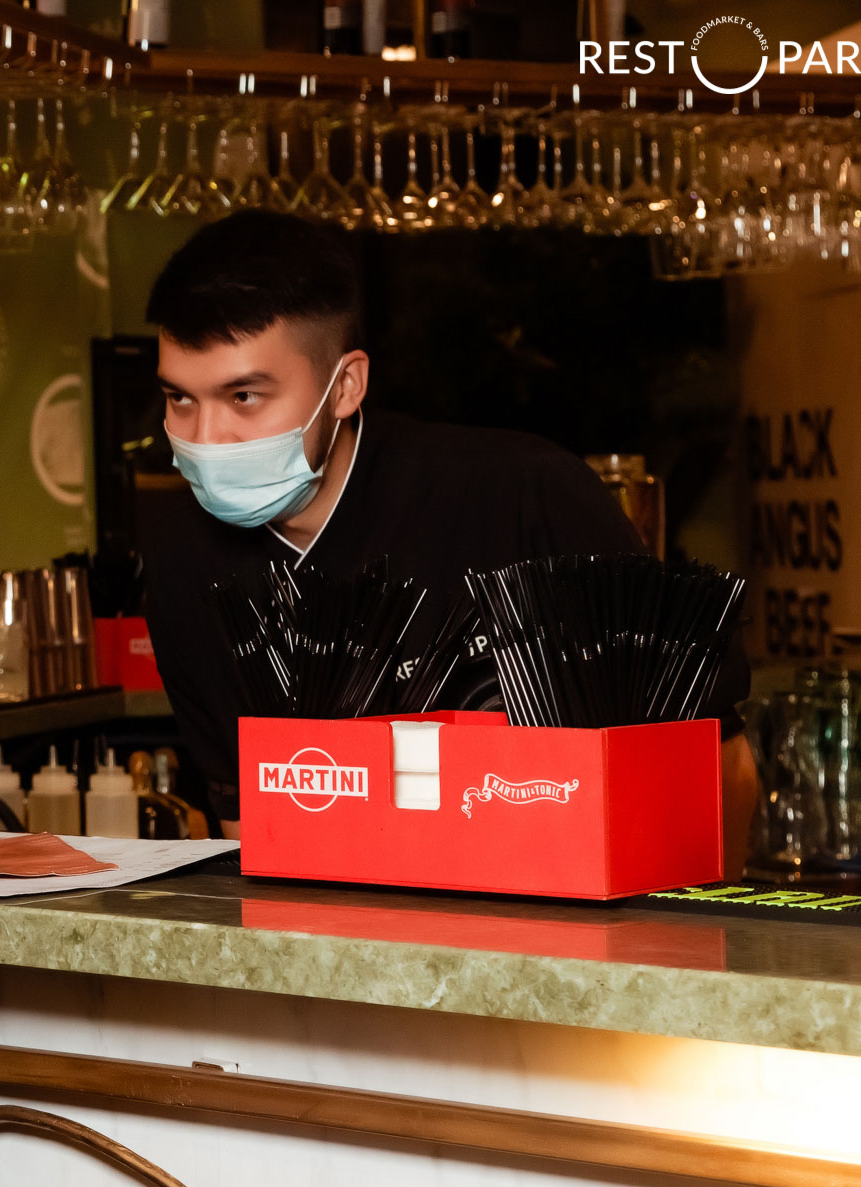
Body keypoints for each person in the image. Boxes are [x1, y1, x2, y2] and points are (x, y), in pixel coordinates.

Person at [139, 211, 756, 864]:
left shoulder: (524, 499)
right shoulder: (185, 563)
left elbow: (716, 763)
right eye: (181, 400)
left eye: (243, 397)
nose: (206, 439)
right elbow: (250, 827)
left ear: (345, 386)